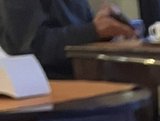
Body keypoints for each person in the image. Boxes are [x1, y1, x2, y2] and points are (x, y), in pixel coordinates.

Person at [0, 2, 138, 79]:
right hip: (49, 91)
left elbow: (78, 33)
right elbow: (31, 47)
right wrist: (93, 30)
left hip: (83, 79)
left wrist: (104, 29)